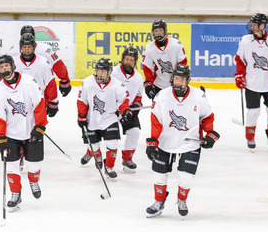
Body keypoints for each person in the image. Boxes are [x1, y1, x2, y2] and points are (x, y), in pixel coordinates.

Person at [146, 65, 217, 217]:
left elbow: (206, 117)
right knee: (159, 174)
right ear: (172, 79)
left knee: (186, 175)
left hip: (190, 141)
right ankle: (159, 201)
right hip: (166, 140)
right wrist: (153, 142)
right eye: (177, 79)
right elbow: (156, 120)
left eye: (182, 80)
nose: (179, 82)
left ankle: (182, 199)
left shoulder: (198, 96)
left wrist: (210, 133)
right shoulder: (162, 96)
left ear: (187, 81)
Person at [0, 54, 48, 212]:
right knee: (11, 166)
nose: (4, 69)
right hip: (11, 135)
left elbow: (39, 103)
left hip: (31, 131)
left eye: (7, 66)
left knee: (34, 165)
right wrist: (1, 138)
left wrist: (40, 125)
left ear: (12, 66)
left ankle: (33, 181)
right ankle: (16, 194)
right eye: (1, 67)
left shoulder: (28, 81)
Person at [234, 13, 268, 151]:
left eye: (255, 24)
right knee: (253, 112)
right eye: (252, 24)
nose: (252, 27)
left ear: (263, 26)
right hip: (252, 83)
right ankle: (250, 138)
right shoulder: (245, 41)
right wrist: (239, 75)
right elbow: (240, 60)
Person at [77, 58, 130, 180]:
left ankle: (109, 167)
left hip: (109, 118)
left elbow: (124, 101)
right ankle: (97, 155)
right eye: (99, 71)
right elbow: (81, 101)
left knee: (113, 143)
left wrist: (125, 111)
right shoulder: (87, 82)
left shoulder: (117, 85)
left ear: (109, 72)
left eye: (103, 71)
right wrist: (81, 116)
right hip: (92, 119)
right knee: (94, 146)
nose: (100, 74)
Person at [0, 33, 59, 118]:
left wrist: (53, 102)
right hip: (17, 101)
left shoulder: (44, 63)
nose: (27, 50)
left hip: (38, 102)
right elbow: (5, 80)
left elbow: (50, 83)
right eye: (24, 47)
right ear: (20, 48)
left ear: (34, 48)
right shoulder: (13, 62)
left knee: (38, 128)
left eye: (29, 47)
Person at [0, 25, 71, 97]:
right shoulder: (14, 50)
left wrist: (64, 80)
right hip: (20, 89)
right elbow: (2, 62)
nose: (27, 37)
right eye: (25, 35)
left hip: (40, 87)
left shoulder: (45, 50)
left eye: (30, 35)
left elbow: (58, 65)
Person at [110, 46, 144, 173]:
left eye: (131, 60)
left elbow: (139, 97)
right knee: (108, 135)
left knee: (135, 132)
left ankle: (127, 159)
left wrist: (134, 110)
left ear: (135, 61)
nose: (128, 62)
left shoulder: (138, 78)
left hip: (128, 111)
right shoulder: (113, 72)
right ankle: (92, 152)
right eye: (126, 59)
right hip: (112, 110)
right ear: (122, 59)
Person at [141, 20, 188, 100]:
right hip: (158, 85)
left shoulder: (176, 44)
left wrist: (178, 80)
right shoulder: (149, 48)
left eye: (160, 30)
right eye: (156, 31)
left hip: (176, 84)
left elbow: (182, 62)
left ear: (165, 31)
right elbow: (147, 68)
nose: (158, 33)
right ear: (153, 32)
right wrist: (149, 83)